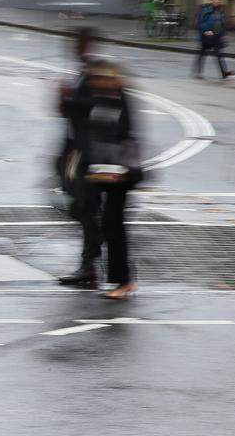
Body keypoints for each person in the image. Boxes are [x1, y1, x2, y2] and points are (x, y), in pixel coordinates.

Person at [70, 57, 141, 299]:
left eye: (104, 78)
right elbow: (81, 116)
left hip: (120, 173)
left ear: (113, 79)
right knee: (105, 222)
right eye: (96, 78)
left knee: (113, 225)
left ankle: (124, 281)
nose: (99, 82)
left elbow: (123, 135)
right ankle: (120, 277)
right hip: (102, 170)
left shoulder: (120, 99)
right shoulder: (102, 97)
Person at [57, 28, 104, 288]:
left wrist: (69, 99)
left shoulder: (95, 73)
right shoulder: (79, 72)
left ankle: (90, 263)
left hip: (89, 152)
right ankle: (93, 253)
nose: (76, 48)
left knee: (85, 207)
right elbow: (69, 112)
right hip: (75, 148)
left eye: (80, 43)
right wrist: (62, 100)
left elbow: (91, 108)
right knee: (81, 205)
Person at [193, 0, 234, 80]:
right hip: (207, 37)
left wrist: (224, 34)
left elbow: (222, 23)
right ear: (211, 1)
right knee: (202, 55)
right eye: (215, 0)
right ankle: (198, 72)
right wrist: (206, 31)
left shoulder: (220, 10)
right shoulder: (204, 10)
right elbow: (199, 23)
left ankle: (224, 73)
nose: (217, 1)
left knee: (219, 55)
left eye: (218, 0)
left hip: (216, 37)